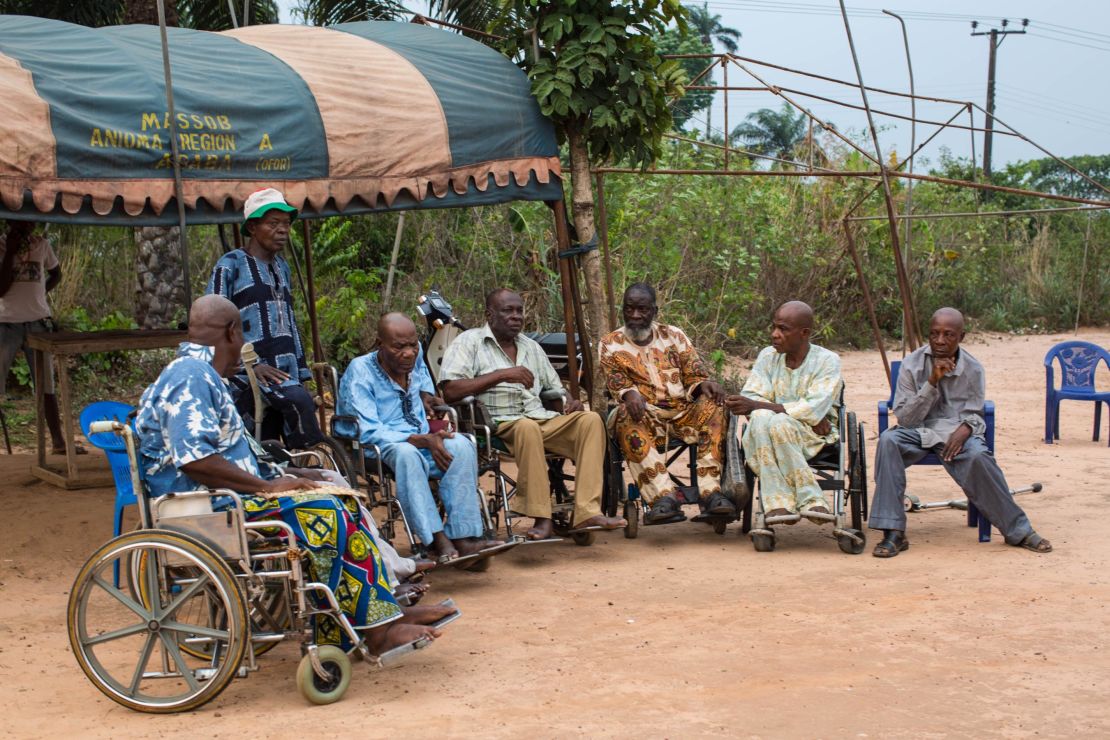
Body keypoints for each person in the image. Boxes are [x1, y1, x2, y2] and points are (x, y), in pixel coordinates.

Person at [135, 294, 447, 652]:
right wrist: (268, 485)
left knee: (333, 492)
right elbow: (196, 460)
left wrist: (287, 472)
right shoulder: (190, 375)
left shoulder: (201, 375)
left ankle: (382, 613)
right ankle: (372, 630)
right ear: (233, 332)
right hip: (206, 506)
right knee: (328, 514)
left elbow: (224, 455)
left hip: (224, 497)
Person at [439, 288, 626, 540]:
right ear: (489, 315)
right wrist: (503, 374)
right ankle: (542, 517)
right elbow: (450, 390)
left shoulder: (531, 347)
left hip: (540, 420)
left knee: (591, 420)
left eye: (519, 310)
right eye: (508, 310)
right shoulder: (469, 342)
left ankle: (586, 512)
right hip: (497, 425)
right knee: (526, 427)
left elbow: (555, 389)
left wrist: (571, 402)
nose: (516, 316)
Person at [869, 307, 1052, 557]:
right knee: (889, 440)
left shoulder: (973, 368)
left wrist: (966, 428)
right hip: (919, 432)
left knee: (979, 457)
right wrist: (932, 381)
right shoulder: (911, 365)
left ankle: (1019, 531)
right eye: (934, 334)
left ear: (961, 337)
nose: (940, 341)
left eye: (948, 335)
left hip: (956, 435)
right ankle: (893, 533)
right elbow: (906, 418)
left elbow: (975, 412)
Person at [338, 312, 503, 563]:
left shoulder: (414, 360)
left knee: (463, 444)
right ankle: (436, 539)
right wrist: (420, 439)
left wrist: (428, 399)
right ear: (379, 344)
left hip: (421, 436)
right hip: (378, 444)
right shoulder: (360, 370)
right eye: (399, 347)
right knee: (407, 454)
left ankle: (463, 535)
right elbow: (368, 430)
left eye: (413, 345)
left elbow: (425, 387)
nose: (408, 353)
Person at [600, 283, 729, 524]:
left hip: (682, 415)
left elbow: (694, 374)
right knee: (625, 413)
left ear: (654, 311)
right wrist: (629, 394)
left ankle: (712, 494)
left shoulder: (674, 336)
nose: (635, 316)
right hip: (644, 417)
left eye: (642, 309)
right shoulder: (610, 343)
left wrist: (703, 385)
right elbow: (617, 383)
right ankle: (663, 498)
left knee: (716, 405)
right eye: (629, 309)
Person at [207, 188, 323, 449]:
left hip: (284, 369)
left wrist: (301, 368)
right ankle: (314, 465)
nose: (283, 230)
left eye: (286, 224)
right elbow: (213, 320)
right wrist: (250, 363)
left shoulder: (282, 266)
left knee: (274, 440)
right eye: (273, 224)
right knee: (295, 406)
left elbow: (290, 322)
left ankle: (296, 476)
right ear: (253, 227)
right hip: (247, 373)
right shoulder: (230, 264)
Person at [725, 301, 842, 524]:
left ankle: (788, 502)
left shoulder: (827, 361)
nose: (774, 334)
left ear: (804, 333)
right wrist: (770, 409)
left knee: (773, 420)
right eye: (774, 327)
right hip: (769, 432)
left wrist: (761, 406)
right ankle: (801, 501)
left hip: (812, 435)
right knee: (763, 419)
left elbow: (814, 407)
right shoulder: (768, 356)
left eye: (783, 329)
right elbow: (754, 395)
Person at [0, 220, 84, 455]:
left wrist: (40, 293)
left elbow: (56, 274)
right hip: (6, 323)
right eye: (19, 223)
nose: (26, 226)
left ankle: (58, 442)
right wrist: (10, 252)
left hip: (38, 322)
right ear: (8, 221)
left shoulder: (42, 245)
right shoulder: (1, 246)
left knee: (46, 384)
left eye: (29, 223)